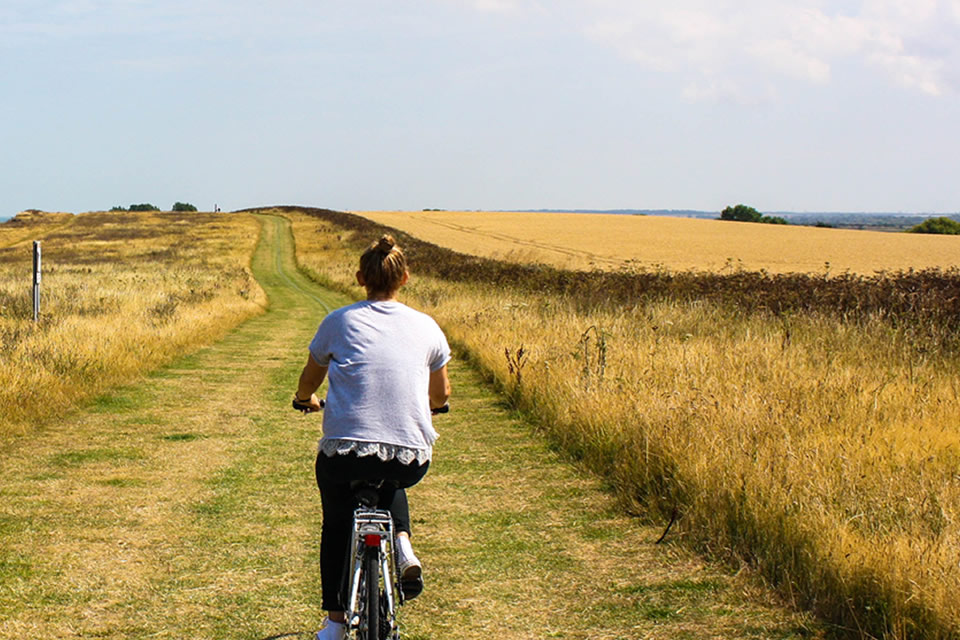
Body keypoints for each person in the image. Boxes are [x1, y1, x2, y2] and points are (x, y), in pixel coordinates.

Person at [294, 234, 451, 640]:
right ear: (406, 277)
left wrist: (305, 399)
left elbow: (310, 380)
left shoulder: (339, 321)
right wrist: (433, 409)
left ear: (361, 277)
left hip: (346, 453)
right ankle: (401, 542)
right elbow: (442, 393)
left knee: (336, 522)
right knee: (392, 474)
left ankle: (334, 624)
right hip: (411, 456)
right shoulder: (427, 327)